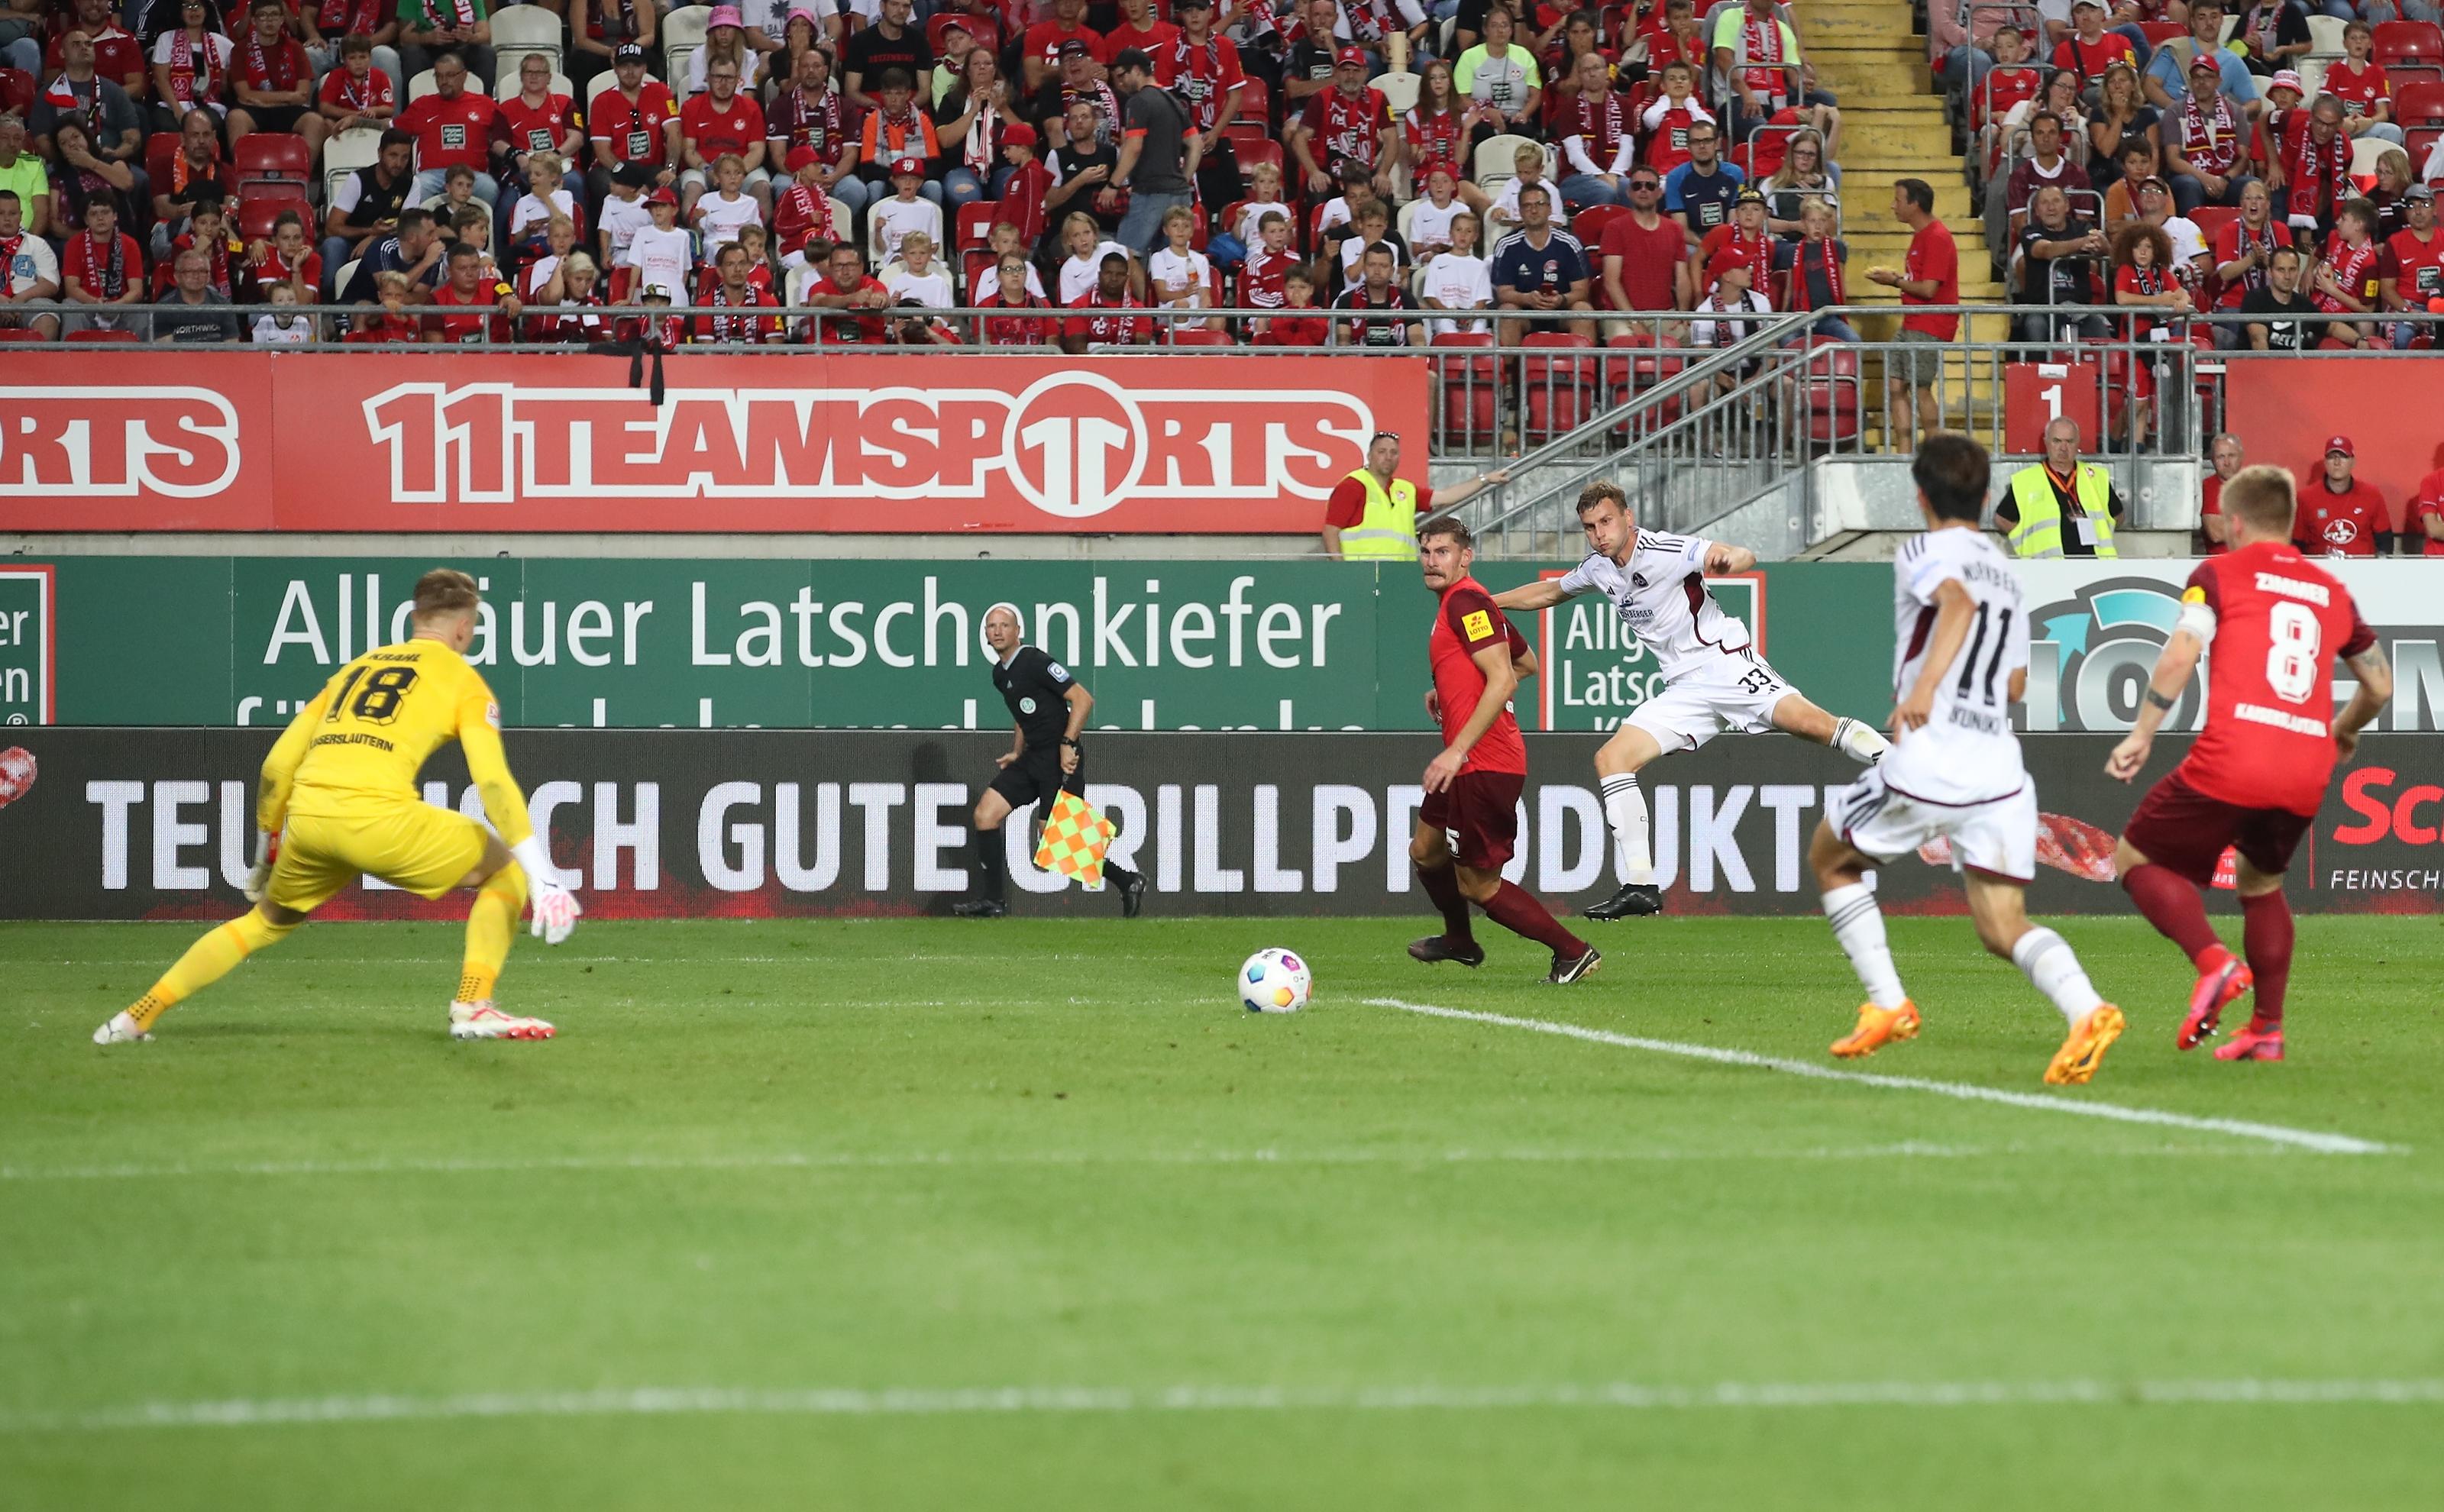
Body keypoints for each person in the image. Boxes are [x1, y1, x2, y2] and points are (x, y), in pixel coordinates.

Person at [95, 570, 580, 1047]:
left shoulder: (354, 670)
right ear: (463, 627)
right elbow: (492, 781)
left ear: (416, 617)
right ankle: (473, 1006)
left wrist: (267, 849)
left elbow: (276, 765)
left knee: (265, 921)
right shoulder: (463, 680)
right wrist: (543, 878)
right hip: (377, 821)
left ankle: (135, 1016)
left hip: (309, 820)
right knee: (505, 871)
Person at [1808, 434, 2123, 1083]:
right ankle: (2087, 1008)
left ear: (1920, 496)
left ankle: (1889, 1003)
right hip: (1999, 770)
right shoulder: (2008, 567)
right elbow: (2013, 684)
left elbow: (1956, 601)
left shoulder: (1925, 548)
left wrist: (1923, 688)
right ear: (1986, 498)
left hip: (1934, 756)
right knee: (2001, 925)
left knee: (1830, 857)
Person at [1493, 483, 1892, 921]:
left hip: (1725, 665)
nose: (1599, 534)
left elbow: (1738, 554)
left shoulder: (1664, 549)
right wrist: (1488, 603)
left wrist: (1732, 558)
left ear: (1628, 518)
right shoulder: (1597, 569)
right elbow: (1549, 593)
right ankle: (1641, 885)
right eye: (1590, 527)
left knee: (1815, 725)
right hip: (1683, 689)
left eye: (1606, 522)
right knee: (1613, 759)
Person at [2108, 467, 2391, 1064]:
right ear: (2290, 523)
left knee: (2134, 856)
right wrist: (2342, 731)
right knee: (2262, 884)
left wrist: (2142, 732)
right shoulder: (2332, 590)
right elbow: (2380, 684)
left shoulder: (2217, 572)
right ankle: (2267, 1029)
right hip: (2304, 766)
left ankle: (2213, 964)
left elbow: (2182, 651)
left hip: (2234, 757)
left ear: (2234, 523)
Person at [1406, 515, 1601, 985]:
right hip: (1468, 761)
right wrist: (1446, 687)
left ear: (1465, 556)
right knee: (1426, 852)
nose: (1432, 562)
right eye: (1426, 552)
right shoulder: (1463, 604)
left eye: (1443, 552)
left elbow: (1503, 676)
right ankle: (1460, 940)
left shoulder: (1468, 601)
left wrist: (1457, 751)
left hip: (1483, 762)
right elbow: (1526, 661)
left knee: (1478, 884)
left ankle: (1574, 951)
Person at [952, 605, 1147, 919]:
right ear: (986, 635)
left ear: (1018, 632)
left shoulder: (1034, 660)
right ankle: (993, 901)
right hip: (1032, 757)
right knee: (985, 815)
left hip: (1057, 757)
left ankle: (1127, 880)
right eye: (991, 626)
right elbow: (1022, 715)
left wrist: (1068, 744)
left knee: (1054, 837)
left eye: (1005, 625)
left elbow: (1083, 699)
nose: (998, 631)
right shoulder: (1000, 674)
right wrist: (1017, 751)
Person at [1869, 179, 1956, 452]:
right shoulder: (1921, 235)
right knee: (1895, 385)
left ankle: (1935, 453)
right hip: (1913, 321)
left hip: (1930, 323)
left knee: (1920, 388)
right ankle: (1903, 455)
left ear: (1914, 204)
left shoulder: (1937, 236)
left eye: (1898, 200)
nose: (1893, 205)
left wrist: (1893, 281)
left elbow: (1929, 289)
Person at [1320, 430, 1505, 559]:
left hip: (1400, 577)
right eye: (1381, 452)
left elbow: (1446, 496)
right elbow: (1331, 531)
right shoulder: (1353, 485)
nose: (1388, 457)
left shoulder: (1405, 490)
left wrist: (1485, 479)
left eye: (1394, 452)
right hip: (1362, 577)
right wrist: (1341, 571)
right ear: (1369, 456)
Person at [1107, 47, 1195, 255]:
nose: (1119, 83)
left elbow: (1134, 147)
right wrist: (1183, 179)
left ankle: (1136, 290)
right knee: (1169, 259)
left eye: (1122, 76)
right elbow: (1195, 144)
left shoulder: (1138, 101)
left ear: (1136, 71)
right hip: (1179, 194)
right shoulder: (1172, 100)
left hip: (1150, 193)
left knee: (1125, 254)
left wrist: (1113, 185)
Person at [1998, 418, 2124, 558]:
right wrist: (2027, 540)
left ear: (2077, 443)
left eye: (2069, 442)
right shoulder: (2026, 481)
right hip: (2048, 569)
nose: (2063, 448)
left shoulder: (2096, 478)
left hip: (2095, 566)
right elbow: (2003, 519)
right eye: (2057, 441)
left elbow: (2118, 516)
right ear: (2046, 443)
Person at [1489, 181, 1594, 342]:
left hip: (1562, 312)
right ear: (1520, 212)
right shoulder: (1507, 245)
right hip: (1525, 314)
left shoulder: (1569, 243)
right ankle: (1509, 368)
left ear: (1550, 209)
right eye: (1527, 206)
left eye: (1539, 204)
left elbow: (1582, 290)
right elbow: (1503, 293)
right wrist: (1528, 299)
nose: (1533, 210)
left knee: (1583, 310)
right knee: (1507, 311)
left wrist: (1561, 300)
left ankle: (1582, 367)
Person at [2293, 435, 2387, 557]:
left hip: (2363, 570)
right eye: (2332, 457)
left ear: (2353, 462)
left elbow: (2385, 541)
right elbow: (2296, 543)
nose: (2337, 462)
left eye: (2343, 456)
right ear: (2325, 462)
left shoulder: (2372, 495)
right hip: (2321, 571)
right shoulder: (2305, 498)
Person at [2199, 431, 2244, 553]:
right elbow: (2215, 532)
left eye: (2232, 456)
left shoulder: (2256, 485)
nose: (2227, 463)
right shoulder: (2207, 486)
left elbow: (2271, 530)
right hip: (2220, 563)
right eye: (2221, 457)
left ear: (2241, 457)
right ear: (2213, 461)